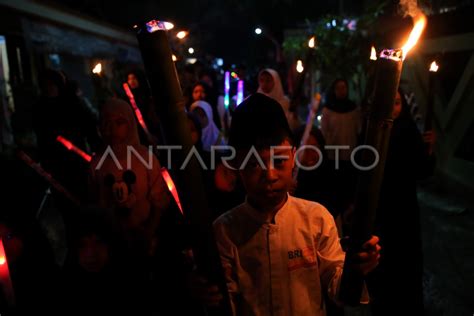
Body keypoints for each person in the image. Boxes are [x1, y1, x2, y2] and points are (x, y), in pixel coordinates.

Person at [206, 93, 380, 315]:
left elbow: (338, 288)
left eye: (279, 161)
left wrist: (355, 269)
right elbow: (224, 304)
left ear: (293, 156)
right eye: (253, 164)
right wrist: (207, 293)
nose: (269, 175)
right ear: (236, 166)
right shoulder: (225, 231)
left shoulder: (315, 219)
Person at [367, 89, 435, 316]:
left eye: (397, 103)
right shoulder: (373, 130)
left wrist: (429, 150)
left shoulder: (409, 131)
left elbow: (423, 170)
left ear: (403, 105)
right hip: (380, 208)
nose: (393, 108)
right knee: (382, 261)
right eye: (389, 102)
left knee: (406, 261)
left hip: (404, 208)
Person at [89, 98, 170, 253]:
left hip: (147, 233)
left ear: (130, 124)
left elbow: (159, 200)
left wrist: (149, 233)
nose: (111, 129)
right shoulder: (97, 163)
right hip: (113, 240)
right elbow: (96, 201)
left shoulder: (146, 158)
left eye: (119, 122)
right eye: (106, 123)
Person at [320, 78, 361, 219]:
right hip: (333, 156)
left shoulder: (353, 109)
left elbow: (358, 130)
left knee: (348, 188)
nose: (342, 91)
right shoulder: (328, 109)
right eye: (339, 88)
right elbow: (324, 133)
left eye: (344, 88)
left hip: (350, 156)